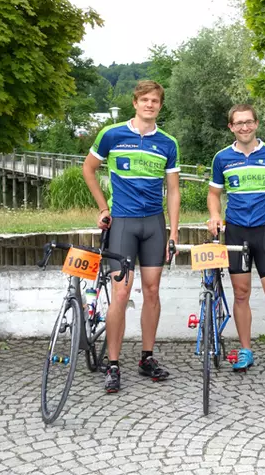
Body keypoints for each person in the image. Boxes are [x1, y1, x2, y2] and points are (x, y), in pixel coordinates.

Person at [83, 80, 180, 393]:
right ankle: (112, 365)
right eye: (144, 100)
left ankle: (146, 358)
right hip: (123, 222)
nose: (150, 105)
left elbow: (174, 190)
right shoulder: (111, 134)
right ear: (135, 103)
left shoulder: (168, 143)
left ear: (160, 106)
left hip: (154, 224)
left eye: (155, 101)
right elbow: (88, 169)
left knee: (152, 291)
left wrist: (173, 232)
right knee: (121, 294)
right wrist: (102, 207)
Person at [207, 104, 265, 375]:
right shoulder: (222, 158)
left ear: (257, 124)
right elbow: (214, 194)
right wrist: (214, 215)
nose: (244, 127)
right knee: (241, 293)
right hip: (236, 231)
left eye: (249, 122)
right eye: (239, 123)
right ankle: (246, 351)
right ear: (231, 127)